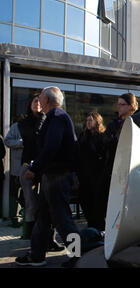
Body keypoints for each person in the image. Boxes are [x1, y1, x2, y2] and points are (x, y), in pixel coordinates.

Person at [15, 87, 80, 267]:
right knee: (43, 216)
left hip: (56, 176)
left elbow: (51, 147)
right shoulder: (56, 117)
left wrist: (35, 169)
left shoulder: (57, 117)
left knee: (63, 218)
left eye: (41, 98)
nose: (39, 102)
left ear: (48, 101)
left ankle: (77, 256)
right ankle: (37, 255)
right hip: (52, 175)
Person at [100, 93, 138, 231]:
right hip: (114, 167)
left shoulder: (135, 121)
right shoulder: (113, 123)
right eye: (118, 104)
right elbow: (105, 142)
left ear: (131, 106)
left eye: (122, 104)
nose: (119, 107)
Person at [15, 94, 45, 239]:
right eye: (35, 101)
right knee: (29, 199)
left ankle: (42, 230)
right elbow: (32, 136)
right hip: (28, 162)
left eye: (40, 101)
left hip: (43, 163)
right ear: (30, 104)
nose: (37, 103)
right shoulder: (23, 123)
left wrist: (42, 118)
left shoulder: (46, 119)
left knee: (44, 198)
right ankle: (29, 230)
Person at [77, 112, 107, 231]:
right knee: (85, 199)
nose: (88, 122)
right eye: (87, 120)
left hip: (97, 173)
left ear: (97, 121)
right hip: (84, 173)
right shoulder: (83, 136)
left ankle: (98, 226)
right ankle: (91, 224)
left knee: (97, 201)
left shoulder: (101, 136)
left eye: (91, 120)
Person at [4, 121, 24, 228]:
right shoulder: (16, 127)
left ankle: (27, 218)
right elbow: (7, 141)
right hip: (17, 168)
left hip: (32, 167)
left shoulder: (40, 125)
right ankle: (15, 218)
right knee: (15, 193)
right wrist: (21, 143)